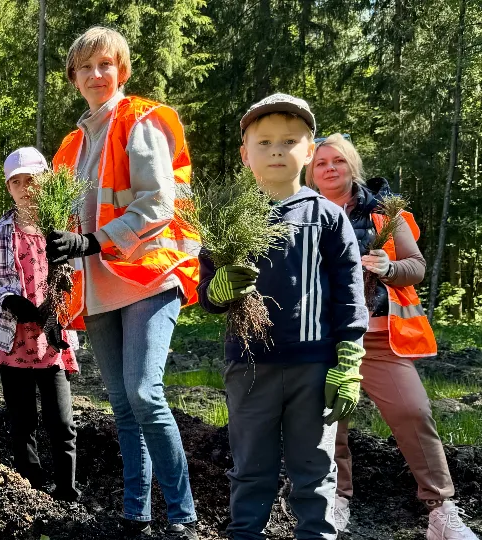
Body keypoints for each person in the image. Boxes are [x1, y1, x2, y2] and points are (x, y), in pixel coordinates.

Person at [46, 26, 200, 538]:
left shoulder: (142, 120)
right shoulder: (72, 145)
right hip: (96, 286)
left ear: (122, 70)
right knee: (121, 403)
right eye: (86, 67)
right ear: (74, 77)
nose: (96, 74)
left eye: (105, 64)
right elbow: (63, 216)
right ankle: (137, 513)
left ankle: (183, 517)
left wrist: (94, 241)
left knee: (144, 392)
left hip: (148, 274)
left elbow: (158, 203)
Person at [197, 94, 369, 540]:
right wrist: (217, 291)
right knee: (251, 468)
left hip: (314, 366)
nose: (277, 150)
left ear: (309, 151)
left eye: (290, 141)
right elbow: (208, 295)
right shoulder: (229, 220)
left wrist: (349, 360)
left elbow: (350, 295)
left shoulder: (327, 218)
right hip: (249, 365)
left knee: (314, 470)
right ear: (245, 154)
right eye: (265, 142)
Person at [308, 134, 479, 540]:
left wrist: (388, 267)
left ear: (353, 165)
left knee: (413, 412)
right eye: (320, 163)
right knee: (331, 425)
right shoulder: (303, 210)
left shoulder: (385, 210)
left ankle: (441, 511)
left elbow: (416, 266)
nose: (330, 168)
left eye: (338, 161)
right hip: (323, 338)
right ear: (310, 172)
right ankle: (336, 499)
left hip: (381, 338)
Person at [0, 146, 81, 503]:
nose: (25, 188)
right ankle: (31, 485)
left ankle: (67, 488)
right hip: (14, 338)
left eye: (31, 180)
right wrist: (8, 299)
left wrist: (61, 297)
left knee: (61, 420)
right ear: (9, 188)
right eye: (17, 182)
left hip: (51, 338)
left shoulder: (62, 231)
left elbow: (77, 280)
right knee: (22, 420)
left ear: (45, 182)